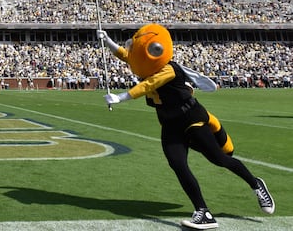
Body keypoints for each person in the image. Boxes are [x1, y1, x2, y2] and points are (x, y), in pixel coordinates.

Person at [97, 24, 275, 229]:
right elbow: (127, 56)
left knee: (219, 159)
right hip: (170, 124)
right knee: (178, 164)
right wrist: (108, 41)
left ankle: (256, 184)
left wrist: (120, 97)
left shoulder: (168, 69)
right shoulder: (147, 64)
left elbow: (148, 85)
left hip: (191, 118)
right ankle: (203, 211)